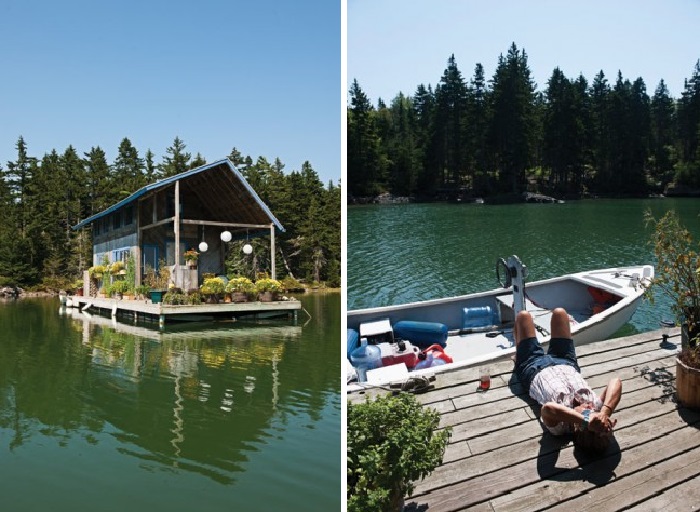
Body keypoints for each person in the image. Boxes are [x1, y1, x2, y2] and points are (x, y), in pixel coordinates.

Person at [513, 308, 619, 454]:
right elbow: (616, 381)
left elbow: (548, 409)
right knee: (560, 313)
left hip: (532, 366)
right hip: (565, 360)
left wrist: (584, 419)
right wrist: (605, 412)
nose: (589, 408)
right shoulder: (597, 408)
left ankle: (518, 355)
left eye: (588, 414)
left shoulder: (562, 426)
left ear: (581, 427)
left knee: (523, 317)